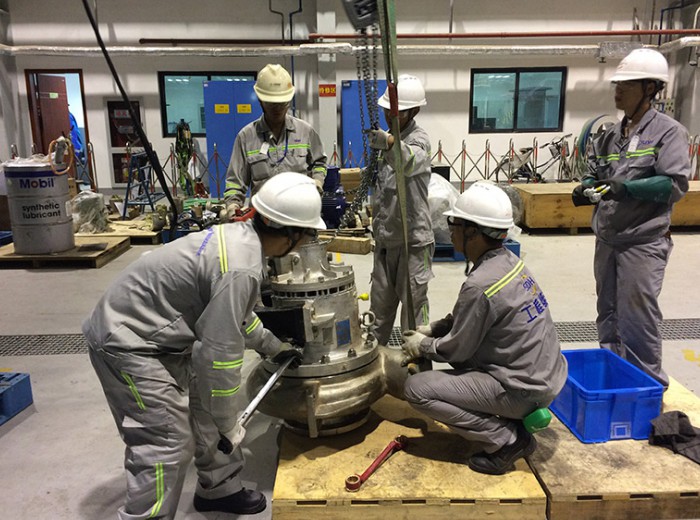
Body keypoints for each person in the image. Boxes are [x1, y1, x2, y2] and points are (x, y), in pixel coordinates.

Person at [84, 172, 326, 519]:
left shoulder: (241, 241)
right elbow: (219, 357)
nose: (305, 244)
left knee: (207, 405)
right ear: (289, 234)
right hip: (127, 341)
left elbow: (237, 317)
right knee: (165, 440)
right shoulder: (241, 268)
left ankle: (218, 488)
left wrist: (273, 346)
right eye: (307, 235)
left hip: (163, 335)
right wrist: (229, 423)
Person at [402, 181, 567, 475]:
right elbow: (473, 317)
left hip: (524, 390)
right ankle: (509, 419)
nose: (450, 230)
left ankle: (506, 440)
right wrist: (434, 328)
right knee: (462, 362)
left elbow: (456, 349)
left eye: (454, 223)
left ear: (473, 232)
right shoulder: (508, 262)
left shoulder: (480, 285)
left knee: (417, 390)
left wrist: (423, 345)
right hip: (545, 377)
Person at [571, 48, 691, 388]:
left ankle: (647, 387)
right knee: (608, 313)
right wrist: (586, 187)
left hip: (642, 242)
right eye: (617, 84)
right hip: (608, 239)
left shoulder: (668, 132)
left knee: (637, 317)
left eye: (627, 84)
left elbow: (675, 184)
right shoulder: (611, 135)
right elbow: (597, 173)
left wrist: (629, 189)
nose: (618, 90)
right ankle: (615, 378)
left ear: (650, 88)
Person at [367, 74, 434, 346]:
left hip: (413, 244)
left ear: (414, 111)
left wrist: (390, 143)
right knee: (378, 315)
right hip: (385, 243)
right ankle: (374, 362)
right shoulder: (388, 140)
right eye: (387, 110)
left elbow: (407, 162)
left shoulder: (419, 140)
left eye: (397, 112)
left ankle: (416, 364)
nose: (389, 115)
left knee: (414, 316)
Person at [223, 63, 327, 220]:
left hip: (299, 218)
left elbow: (319, 163)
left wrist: (317, 181)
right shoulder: (246, 137)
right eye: (272, 104)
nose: (277, 108)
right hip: (262, 222)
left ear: (289, 101)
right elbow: (235, 183)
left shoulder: (306, 132)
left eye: (282, 103)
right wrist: (232, 206)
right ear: (260, 101)